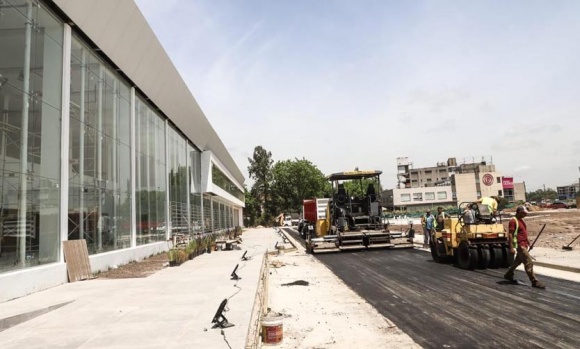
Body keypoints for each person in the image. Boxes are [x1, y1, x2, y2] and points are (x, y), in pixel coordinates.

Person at [504, 206, 545, 289]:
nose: (525, 214)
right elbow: (510, 234)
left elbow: (523, 233)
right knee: (529, 262)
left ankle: (509, 274)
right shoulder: (513, 221)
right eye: (524, 213)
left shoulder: (521, 221)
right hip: (520, 245)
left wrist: (528, 243)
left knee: (517, 261)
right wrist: (511, 247)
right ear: (519, 212)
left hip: (524, 244)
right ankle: (534, 281)